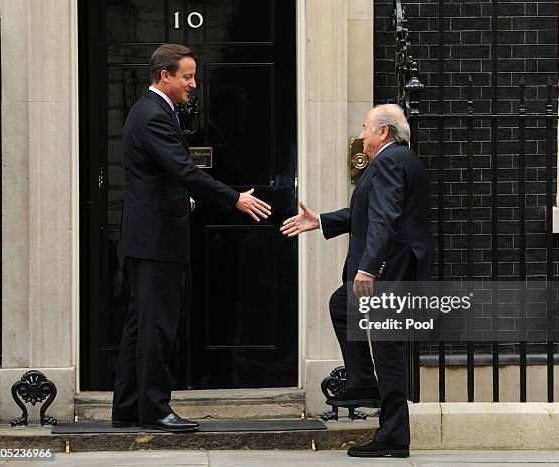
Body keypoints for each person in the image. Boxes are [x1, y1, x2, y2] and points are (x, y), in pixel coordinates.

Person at [112, 43, 271, 433]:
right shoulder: (152, 115)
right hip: (156, 239)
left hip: (150, 238)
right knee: (156, 326)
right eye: (187, 76)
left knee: (140, 323)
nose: (193, 84)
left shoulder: (154, 111)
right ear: (164, 75)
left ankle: (129, 406)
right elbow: (184, 169)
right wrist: (234, 198)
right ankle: (154, 409)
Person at [281, 104, 434, 458]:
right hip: (397, 265)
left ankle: (393, 434)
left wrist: (368, 267)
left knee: (388, 349)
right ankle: (364, 381)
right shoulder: (399, 159)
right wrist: (320, 220)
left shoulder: (391, 161)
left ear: (384, 132)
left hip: (391, 269)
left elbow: (383, 218)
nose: (361, 135)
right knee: (343, 306)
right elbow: (367, 212)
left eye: (365, 128)